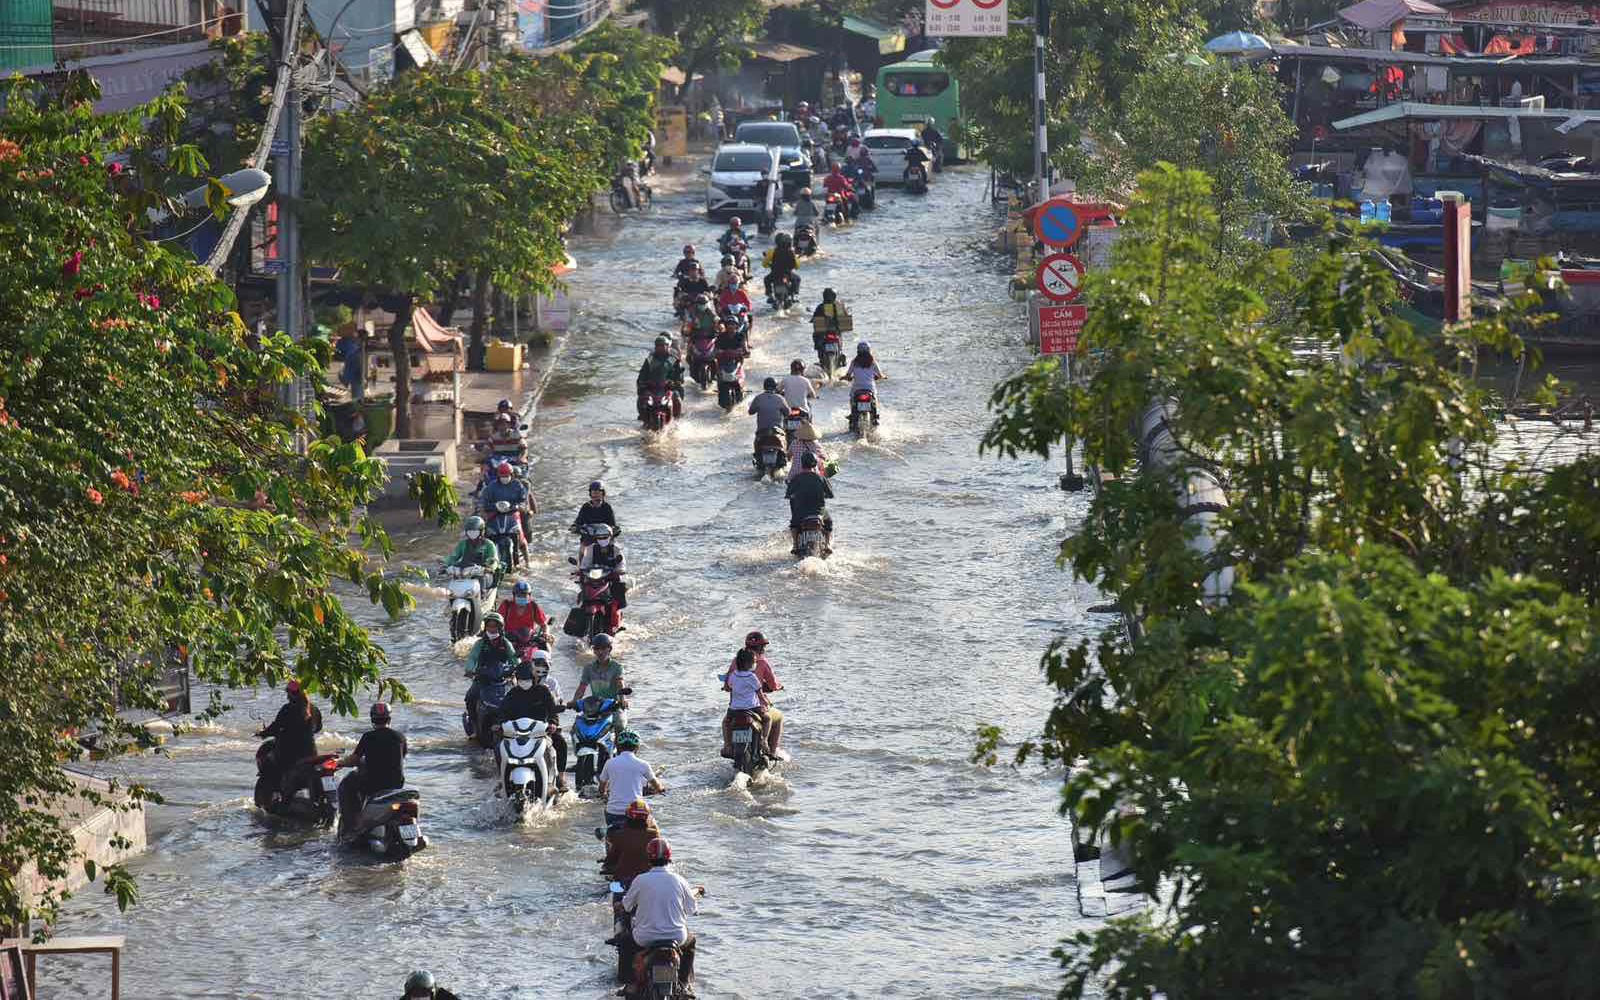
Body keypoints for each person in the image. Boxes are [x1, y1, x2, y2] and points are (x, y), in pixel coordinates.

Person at [621, 838, 701, 995]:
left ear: (649, 858)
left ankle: (630, 983)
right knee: (691, 942)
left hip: (645, 938)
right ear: (669, 858)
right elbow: (693, 910)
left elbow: (626, 906)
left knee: (624, 943)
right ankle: (684, 984)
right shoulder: (680, 880)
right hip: (676, 937)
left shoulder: (640, 880)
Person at [496, 661, 568, 791]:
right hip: (516, 734)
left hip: (540, 732)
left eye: (527, 679)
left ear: (533, 678)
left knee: (561, 742)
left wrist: (553, 723)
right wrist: (499, 724)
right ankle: (502, 779)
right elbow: (502, 712)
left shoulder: (543, 691)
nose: (524, 682)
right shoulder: (512, 694)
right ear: (517, 679)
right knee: (498, 746)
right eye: (522, 679)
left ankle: (560, 778)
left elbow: (552, 710)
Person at [337, 701, 408, 833]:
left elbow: (354, 759)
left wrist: (340, 763)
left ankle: (353, 823)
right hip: (397, 784)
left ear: (372, 719)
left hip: (374, 783)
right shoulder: (400, 736)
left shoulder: (368, 736)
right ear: (389, 718)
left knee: (348, 784)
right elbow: (401, 756)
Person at [260, 679, 324, 803]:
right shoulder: (314, 709)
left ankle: (278, 797)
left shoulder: (288, 709)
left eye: (288, 692)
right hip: (311, 754)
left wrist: (262, 733)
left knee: (271, 765)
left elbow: (276, 727)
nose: (287, 695)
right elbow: (318, 728)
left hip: (290, 755)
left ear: (291, 693)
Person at [598, 729, 663, 828]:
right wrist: (661, 789)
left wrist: (605, 795)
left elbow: (602, 788)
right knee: (652, 828)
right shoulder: (643, 764)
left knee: (611, 832)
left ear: (618, 746)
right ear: (637, 747)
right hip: (636, 812)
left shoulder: (610, 763)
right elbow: (657, 786)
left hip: (613, 813)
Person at [464, 611, 516, 728]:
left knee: (518, 697)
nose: (492, 629)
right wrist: (469, 670)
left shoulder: (506, 643)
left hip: (502, 679)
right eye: (489, 626)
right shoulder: (480, 643)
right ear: (485, 627)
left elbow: (514, 658)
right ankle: (473, 723)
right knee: (470, 697)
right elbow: (472, 658)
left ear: (500, 628)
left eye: (495, 626)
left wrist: (518, 669)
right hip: (483, 679)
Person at [719, 647, 771, 758]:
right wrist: (767, 703)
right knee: (767, 719)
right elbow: (760, 694)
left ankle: (727, 745)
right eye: (755, 662)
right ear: (749, 664)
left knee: (726, 723)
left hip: (734, 710)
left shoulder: (733, 676)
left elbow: (729, 688)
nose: (756, 664)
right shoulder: (752, 677)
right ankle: (764, 740)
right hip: (752, 708)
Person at [573, 634, 629, 731]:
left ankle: (618, 744)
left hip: (613, 706)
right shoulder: (588, 668)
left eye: (603, 648)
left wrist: (622, 700)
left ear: (609, 649)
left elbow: (620, 683)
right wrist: (574, 702)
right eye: (597, 648)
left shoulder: (617, 667)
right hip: (594, 707)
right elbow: (582, 687)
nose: (600, 652)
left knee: (620, 725)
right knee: (577, 727)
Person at [478, 460, 532, 557]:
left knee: (521, 537)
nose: (504, 478)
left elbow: (523, 500)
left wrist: (515, 506)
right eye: (502, 476)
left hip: (512, 513)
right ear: (498, 476)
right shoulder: (492, 487)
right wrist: (494, 506)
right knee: (485, 534)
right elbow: (483, 501)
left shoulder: (518, 485)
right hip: (495, 514)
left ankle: (527, 561)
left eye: (506, 476)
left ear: (511, 475)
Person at [603, 798, 660, 885]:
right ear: (647, 817)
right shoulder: (654, 834)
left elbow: (611, 859)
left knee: (612, 890)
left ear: (627, 816)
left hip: (622, 880)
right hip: (647, 881)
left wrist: (606, 866)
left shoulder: (618, 835)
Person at [785, 451, 834, 553]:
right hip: (820, 512)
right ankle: (828, 544)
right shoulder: (821, 478)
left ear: (802, 463)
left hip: (801, 513)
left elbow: (788, 495)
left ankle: (795, 545)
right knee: (829, 522)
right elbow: (830, 495)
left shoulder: (796, 478)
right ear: (815, 463)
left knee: (794, 524)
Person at [577, 524, 628, 616]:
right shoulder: (590, 548)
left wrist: (619, 570)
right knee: (583, 590)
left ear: (610, 536)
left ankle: (616, 614)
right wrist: (581, 570)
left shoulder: (616, 549)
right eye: (599, 537)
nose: (602, 539)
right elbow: (585, 563)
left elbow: (622, 564)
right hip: (594, 577)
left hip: (610, 577)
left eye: (605, 537)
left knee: (618, 589)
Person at [636, 336, 685, 421]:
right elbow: (643, 373)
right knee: (641, 398)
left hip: (668, 387)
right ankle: (643, 417)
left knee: (677, 396)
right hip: (652, 387)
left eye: (663, 346)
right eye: (659, 346)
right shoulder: (650, 359)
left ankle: (677, 417)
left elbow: (679, 373)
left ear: (668, 346)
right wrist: (642, 382)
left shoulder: (673, 359)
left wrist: (675, 382)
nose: (661, 348)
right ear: (655, 347)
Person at [444, 515, 502, 582]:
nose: (472, 534)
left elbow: (494, 559)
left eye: (475, 531)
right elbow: (453, 557)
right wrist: (445, 565)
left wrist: (490, 568)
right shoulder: (462, 544)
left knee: (482, 579)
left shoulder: (489, 544)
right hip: (465, 573)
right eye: (470, 531)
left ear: (481, 531)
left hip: (483, 574)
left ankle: (483, 592)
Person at [847, 340, 886, 418]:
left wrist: (846, 378)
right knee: (874, 399)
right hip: (870, 388)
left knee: (852, 398)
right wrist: (883, 377)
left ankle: (852, 414)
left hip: (856, 388)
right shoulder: (873, 362)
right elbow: (880, 375)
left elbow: (848, 375)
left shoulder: (854, 362)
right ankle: (875, 415)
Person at [748, 377, 790, 449]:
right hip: (777, 431)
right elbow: (788, 413)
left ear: (764, 386)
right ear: (775, 387)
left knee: (756, 450)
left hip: (761, 431)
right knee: (784, 447)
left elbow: (751, 412)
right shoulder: (780, 398)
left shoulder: (758, 398)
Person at [811, 288, 848, 368]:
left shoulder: (820, 307)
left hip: (823, 334)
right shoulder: (839, 306)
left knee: (817, 339)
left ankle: (821, 358)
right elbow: (846, 323)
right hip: (835, 333)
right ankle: (840, 355)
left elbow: (815, 321)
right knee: (840, 343)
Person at [764, 232, 800, 303]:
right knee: (797, 279)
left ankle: (770, 295)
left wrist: (770, 265)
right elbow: (797, 266)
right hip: (787, 274)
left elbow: (764, 264)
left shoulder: (772, 251)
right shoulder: (791, 251)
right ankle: (794, 295)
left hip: (775, 274)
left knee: (766, 279)